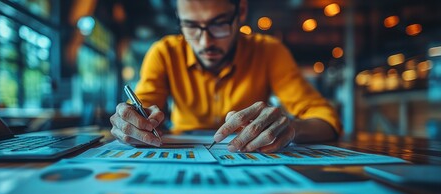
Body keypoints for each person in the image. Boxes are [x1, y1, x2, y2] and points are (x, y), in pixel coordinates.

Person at [110, 0, 342, 153]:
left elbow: (326, 120)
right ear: (179, 20)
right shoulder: (164, 53)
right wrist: (132, 122)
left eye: (219, 24)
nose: (205, 42)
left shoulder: (269, 51)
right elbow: (144, 105)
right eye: (191, 26)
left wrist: (291, 128)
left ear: (241, 12)